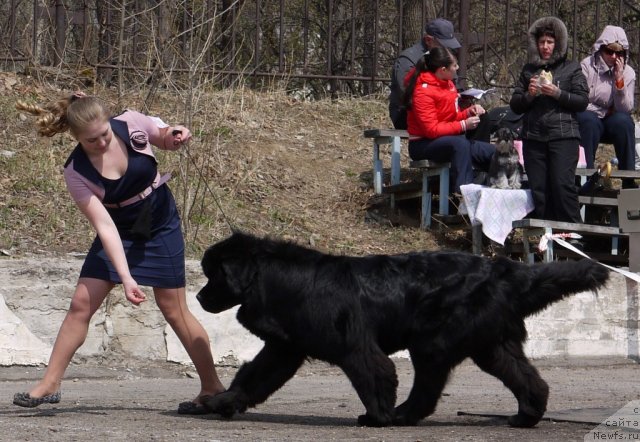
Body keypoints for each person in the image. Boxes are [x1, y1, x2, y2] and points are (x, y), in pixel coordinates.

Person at [12, 93, 225, 415]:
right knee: (81, 303)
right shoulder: (77, 172)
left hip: (159, 221)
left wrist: (174, 134)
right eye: (90, 140)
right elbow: (106, 228)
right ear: (75, 137)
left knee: (173, 308)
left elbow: (163, 137)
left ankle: (212, 387)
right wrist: (126, 278)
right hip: (118, 228)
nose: (100, 142)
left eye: (104, 135)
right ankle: (49, 384)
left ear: (110, 122)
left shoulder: (131, 123)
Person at [510, 16, 588, 223]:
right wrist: (530, 95)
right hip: (533, 137)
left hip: (563, 136)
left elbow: (582, 101)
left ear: (558, 43)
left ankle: (573, 235)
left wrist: (557, 93)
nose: (545, 47)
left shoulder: (572, 68)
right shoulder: (528, 70)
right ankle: (547, 238)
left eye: (550, 42)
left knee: (562, 186)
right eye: (542, 42)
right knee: (540, 190)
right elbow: (515, 105)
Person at [404, 46, 496, 192]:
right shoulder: (423, 92)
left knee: (493, 152)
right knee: (460, 144)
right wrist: (463, 125)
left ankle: (491, 185)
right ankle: (463, 195)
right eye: (454, 65)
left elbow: (452, 116)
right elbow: (431, 130)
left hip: (448, 138)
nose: (457, 67)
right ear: (443, 70)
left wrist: (468, 113)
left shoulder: (448, 84)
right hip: (423, 144)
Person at [577, 25, 637, 188]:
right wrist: (605, 110)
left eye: (618, 53)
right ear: (600, 49)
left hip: (613, 122)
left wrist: (619, 82)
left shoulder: (629, 73)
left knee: (624, 122)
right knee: (587, 120)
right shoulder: (587, 66)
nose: (613, 56)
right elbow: (581, 101)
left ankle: (628, 180)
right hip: (591, 120)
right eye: (609, 51)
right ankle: (586, 177)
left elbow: (625, 109)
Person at [388, 18, 461, 130]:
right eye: (443, 45)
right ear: (428, 40)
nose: (447, 49)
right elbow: (407, 93)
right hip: (408, 114)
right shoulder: (408, 59)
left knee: (479, 121)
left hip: (440, 110)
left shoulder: (445, 56)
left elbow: (453, 83)